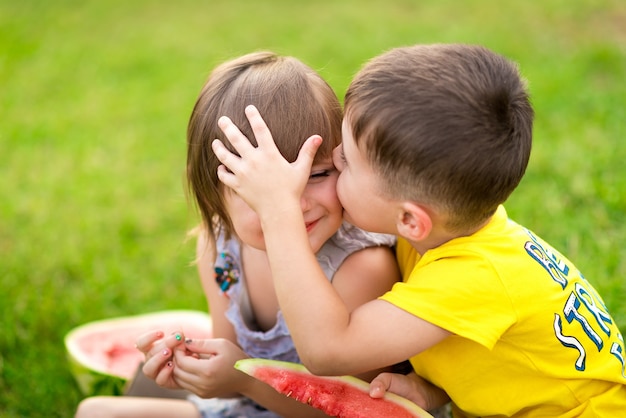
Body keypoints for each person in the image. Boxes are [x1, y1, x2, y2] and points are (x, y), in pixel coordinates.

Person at [211, 43, 626, 416]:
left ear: (410, 219)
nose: (335, 158)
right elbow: (502, 361)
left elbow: (327, 351)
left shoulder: (474, 276)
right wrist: (432, 392)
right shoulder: (448, 233)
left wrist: (280, 210)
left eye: (349, 161)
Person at [74, 51, 401, 418]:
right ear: (216, 196)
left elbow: (348, 410)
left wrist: (245, 380)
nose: (293, 204)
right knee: (96, 412)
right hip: (248, 409)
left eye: (317, 174)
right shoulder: (220, 248)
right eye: (261, 189)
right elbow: (227, 373)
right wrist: (189, 366)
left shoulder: (361, 268)